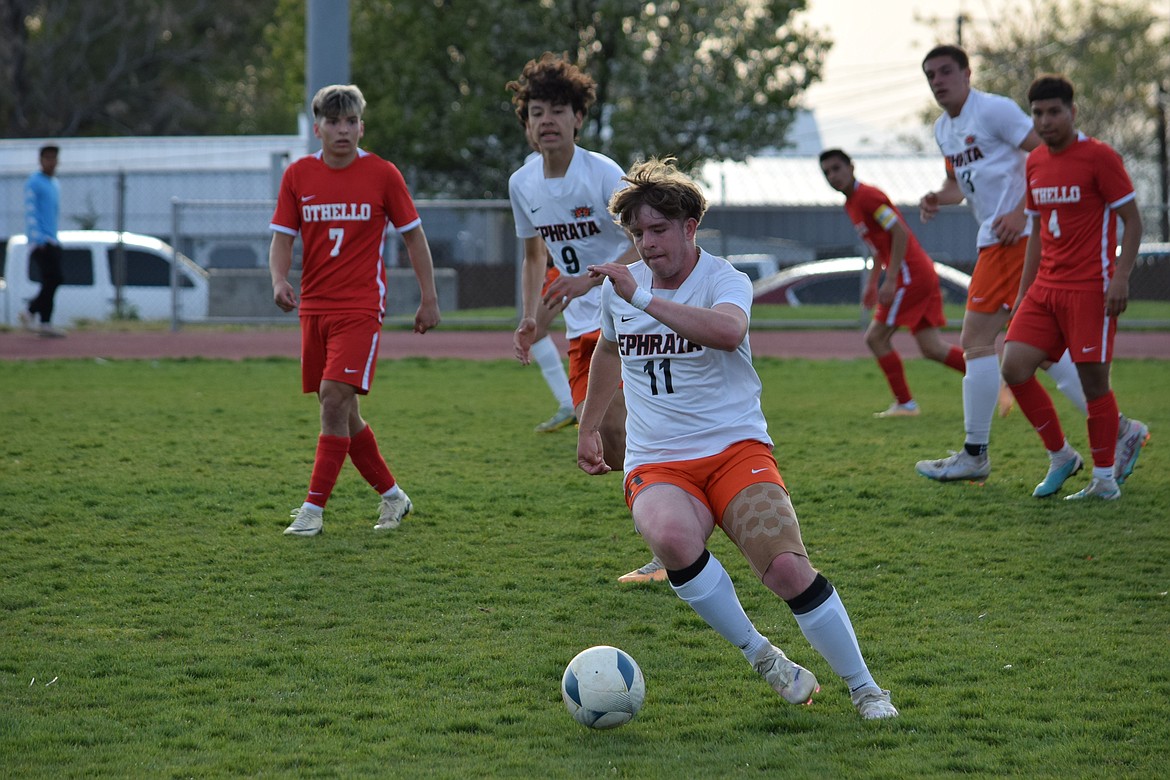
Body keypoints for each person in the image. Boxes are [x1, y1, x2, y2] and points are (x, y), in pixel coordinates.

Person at [578, 157, 899, 719]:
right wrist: (589, 425)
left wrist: (644, 299)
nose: (647, 244)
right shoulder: (621, 290)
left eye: (658, 230)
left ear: (689, 228)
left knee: (785, 571)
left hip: (735, 450)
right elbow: (608, 349)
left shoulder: (724, 279)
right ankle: (765, 657)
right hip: (659, 463)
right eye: (637, 233)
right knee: (671, 539)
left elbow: (728, 332)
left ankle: (866, 688)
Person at [915, 45, 1147, 484]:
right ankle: (1118, 430)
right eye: (930, 75)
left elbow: (1045, 151)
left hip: (1020, 239)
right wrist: (937, 198)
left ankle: (975, 452)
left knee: (977, 339)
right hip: (997, 241)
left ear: (967, 73)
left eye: (946, 71)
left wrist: (1024, 210)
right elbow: (956, 185)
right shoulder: (944, 128)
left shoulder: (995, 110)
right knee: (1037, 356)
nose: (938, 80)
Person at [506, 53, 663, 584]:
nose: (545, 120)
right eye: (535, 112)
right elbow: (533, 257)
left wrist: (591, 277)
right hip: (580, 328)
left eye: (557, 110)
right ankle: (675, 515)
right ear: (526, 125)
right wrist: (531, 318)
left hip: (630, 319)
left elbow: (644, 242)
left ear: (578, 118)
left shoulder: (602, 175)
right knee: (607, 443)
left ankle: (669, 552)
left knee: (621, 427)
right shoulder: (522, 184)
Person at [269, 84, 441, 537]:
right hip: (314, 307)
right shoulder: (297, 175)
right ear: (317, 128)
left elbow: (414, 236)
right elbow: (283, 238)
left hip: (361, 306)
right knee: (343, 412)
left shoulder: (383, 174)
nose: (342, 129)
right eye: (333, 121)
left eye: (350, 122)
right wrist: (279, 279)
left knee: (332, 398)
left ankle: (312, 511)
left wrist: (429, 297)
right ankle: (393, 497)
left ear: (361, 126)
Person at [1001, 75, 1148, 499]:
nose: (1045, 121)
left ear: (1072, 112)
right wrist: (1024, 293)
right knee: (1014, 366)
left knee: (1093, 384)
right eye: (1037, 113)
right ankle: (1062, 456)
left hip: (1091, 289)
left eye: (1054, 112)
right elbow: (1036, 230)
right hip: (1045, 288)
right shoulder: (1035, 162)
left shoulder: (1099, 156)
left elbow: (1133, 221)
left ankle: (1104, 480)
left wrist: (1120, 277)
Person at [819, 149, 965, 416]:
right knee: (931, 348)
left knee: (875, 337)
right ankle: (992, 376)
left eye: (837, 168)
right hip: (914, 273)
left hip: (911, 275)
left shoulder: (868, 196)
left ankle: (906, 404)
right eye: (827, 172)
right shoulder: (851, 203)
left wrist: (892, 278)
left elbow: (899, 232)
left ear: (851, 167)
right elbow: (878, 248)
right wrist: (873, 283)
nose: (833, 176)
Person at [20, 144, 66, 338]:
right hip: (40, 241)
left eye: (54, 158)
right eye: (47, 158)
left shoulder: (54, 183)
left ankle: (44, 322)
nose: (51, 162)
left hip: (52, 239)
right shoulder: (34, 182)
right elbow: (31, 211)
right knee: (54, 278)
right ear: (40, 160)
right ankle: (31, 311)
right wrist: (38, 238)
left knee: (52, 280)